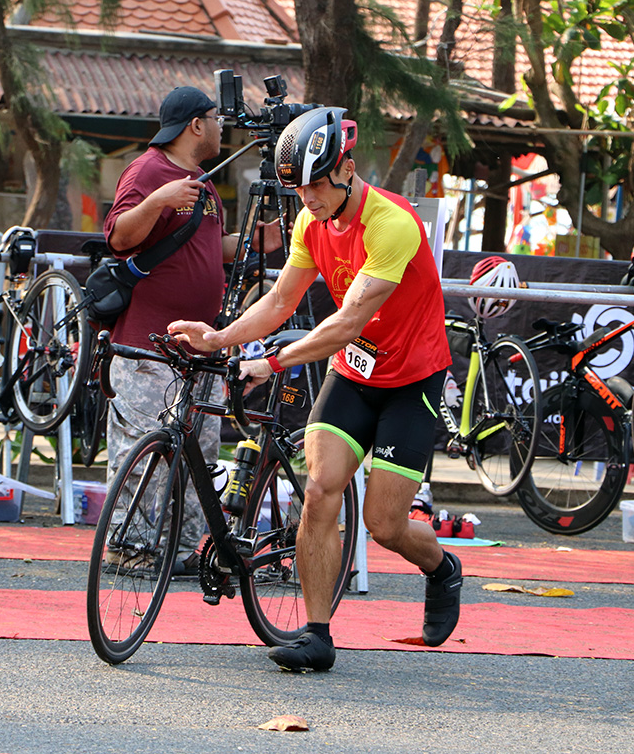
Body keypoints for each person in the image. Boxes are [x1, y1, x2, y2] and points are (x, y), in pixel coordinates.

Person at [168, 106, 458, 671]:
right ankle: (317, 634)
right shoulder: (310, 223)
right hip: (353, 374)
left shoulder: (392, 225)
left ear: (347, 167)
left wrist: (272, 362)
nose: (310, 199)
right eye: (299, 189)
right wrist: (222, 337)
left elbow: (347, 321)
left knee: (384, 524)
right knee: (322, 490)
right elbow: (280, 303)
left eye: (318, 185)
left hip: (411, 380)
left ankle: (442, 568)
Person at [102, 85, 283, 575]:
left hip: (200, 344)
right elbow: (119, 236)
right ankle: (129, 546)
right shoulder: (149, 171)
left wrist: (268, 236)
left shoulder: (203, 179)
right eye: (216, 120)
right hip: (149, 345)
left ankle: (183, 550)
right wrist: (158, 199)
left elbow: (212, 246)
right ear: (196, 126)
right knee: (144, 449)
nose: (224, 128)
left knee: (199, 451)